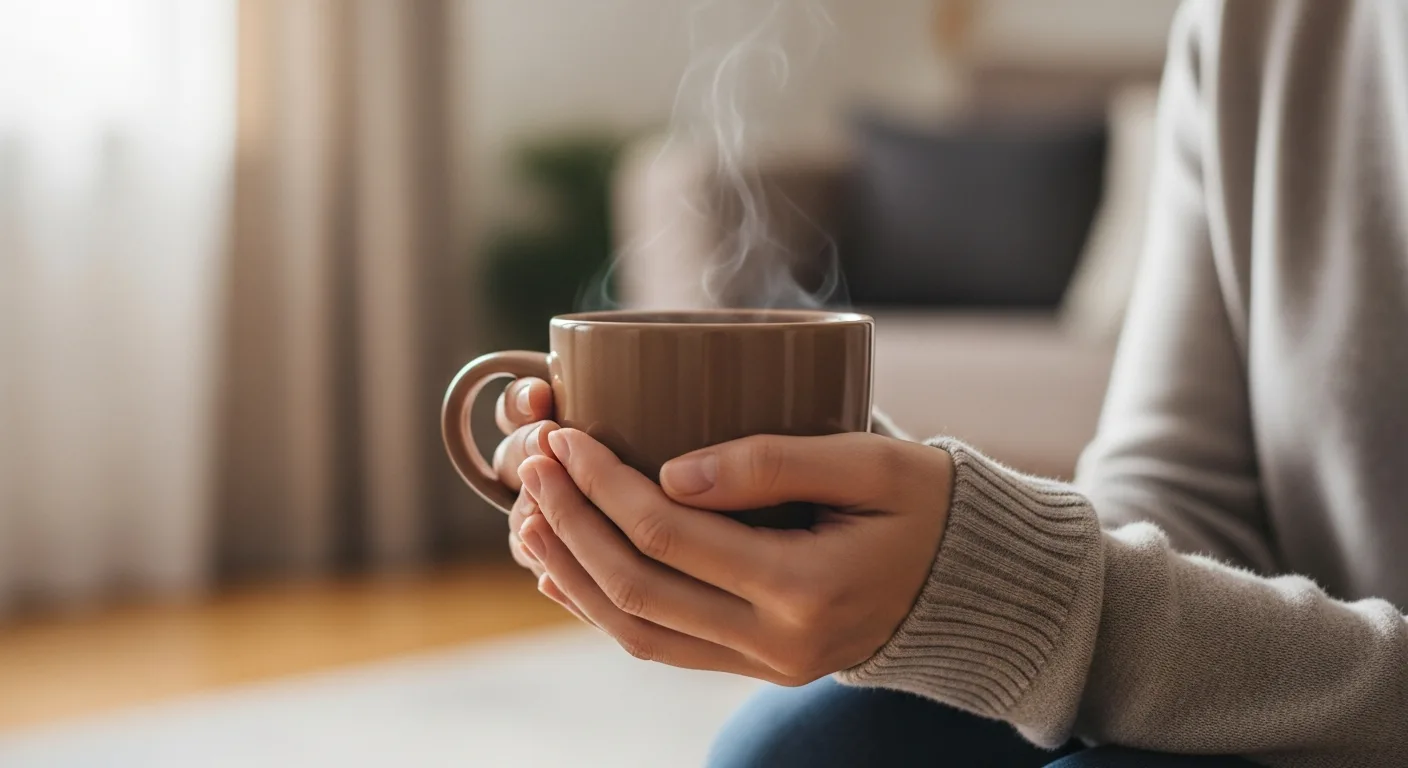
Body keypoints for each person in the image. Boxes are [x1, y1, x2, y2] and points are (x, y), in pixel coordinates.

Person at [475, 2, 1408, 765]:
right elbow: (1182, 503)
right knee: (797, 758)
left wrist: (1022, 599)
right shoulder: (1261, 24)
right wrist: (883, 515)